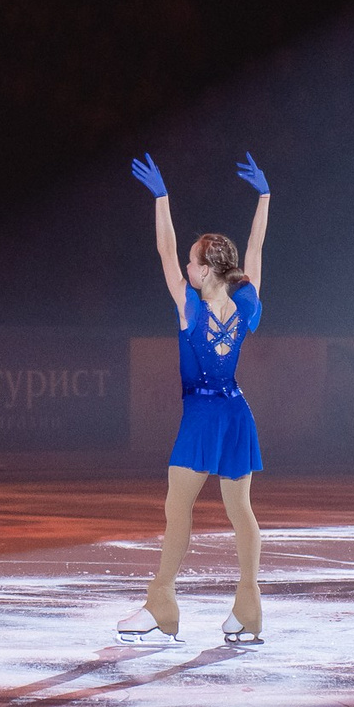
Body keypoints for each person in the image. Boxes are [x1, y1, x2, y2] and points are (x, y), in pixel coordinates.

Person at [118, 151, 272, 645]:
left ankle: (162, 603)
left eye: (192, 260)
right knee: (240, 512)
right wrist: (265, 197)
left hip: (204, 415)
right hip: (236, 413)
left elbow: (163, 250)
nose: (184, 265)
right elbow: (256, 250)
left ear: (205, 271)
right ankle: (248, 611)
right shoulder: (246, 303)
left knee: (177, 508)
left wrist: (162, 199)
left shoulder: (190, 309)